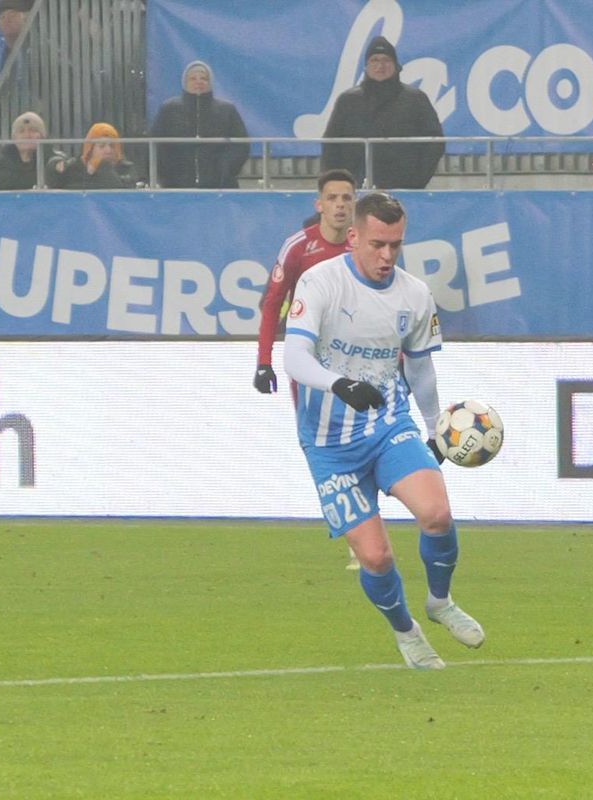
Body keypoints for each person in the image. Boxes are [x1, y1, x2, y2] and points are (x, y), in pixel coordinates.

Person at [282, 191, 484, 670]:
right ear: (353, 237)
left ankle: (440, 601)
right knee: (375, 558)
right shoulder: (320, 282)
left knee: (436, 513)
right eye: (377, 244)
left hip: (388, 423)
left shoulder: (414, 294)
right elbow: (293, 357)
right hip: (329, 445)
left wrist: (435, 428)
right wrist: (339, 384)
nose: (387, 255)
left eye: (396, 245)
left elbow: (420, 368)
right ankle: (407, 632)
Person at [255, 169, 357, 569]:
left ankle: (359, 533)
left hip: (356, 359)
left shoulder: (365, 246)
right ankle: (352, 523)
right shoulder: (299, 247)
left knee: (357, 444)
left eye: (347, 198)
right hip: (309, 362)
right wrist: (264, 362)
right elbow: (271, 304)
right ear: (320, 205)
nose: (340, 205)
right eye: (333, 198)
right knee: (319, 447)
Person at [321, 36, 443, 190]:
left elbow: (434, 142)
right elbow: (331, 144)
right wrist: (338, 182)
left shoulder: (415, 99)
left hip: (405, 187)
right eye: (374, 60)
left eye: (386, 60)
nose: (380, 66)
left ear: (396, 65)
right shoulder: (348, 100)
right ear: (366, 66)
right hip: (355, 188)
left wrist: (417, 179)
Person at [147, 60, 249, 189]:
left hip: (221, 186)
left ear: (210, 82)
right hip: (176, 186)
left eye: (203, 78)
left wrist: (225, 168)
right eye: (193, 78)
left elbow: (241, 144)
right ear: (185, 82)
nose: (198, 82)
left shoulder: (227, 110)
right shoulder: (168, 109)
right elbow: (156, 144)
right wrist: (167, 172)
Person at [47, 122, 137, 190]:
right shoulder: (75, 167)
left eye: (112, 146)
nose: (108, 150)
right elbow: (53, 182)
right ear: (90, 149)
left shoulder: (126, 169)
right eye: (102, 146)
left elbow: (118, 189)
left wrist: (102, 165)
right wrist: (55, 166)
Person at [0, 109, 46, 190]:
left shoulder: (52, 160)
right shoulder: (3, 164)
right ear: (14, 138)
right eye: (21, 131)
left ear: (42, 137)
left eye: (33, 130)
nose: (27, 135)